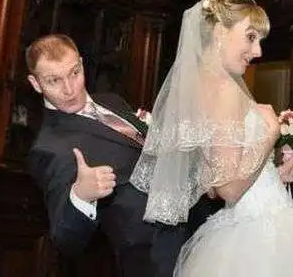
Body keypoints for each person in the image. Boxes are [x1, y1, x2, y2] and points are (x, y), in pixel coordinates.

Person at [129, 0, 293, 276]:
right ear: (219, 33)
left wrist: (274, 175)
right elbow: (229, 189)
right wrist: (270, 134)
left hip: (243, 224)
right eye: (251, 37)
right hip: (261, 231)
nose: (258, 51)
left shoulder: (201, 88)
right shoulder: (225, 90)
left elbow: (213, 185)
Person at [25, 34, 218, 277]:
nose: (69, 89)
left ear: (82, 64)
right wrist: (81, 196)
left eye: (74, 73)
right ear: (35, 83)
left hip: (198, 228)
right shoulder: (50, 147)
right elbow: (66, 240)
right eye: (54, 80)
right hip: (154, 260)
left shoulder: (112, 101)